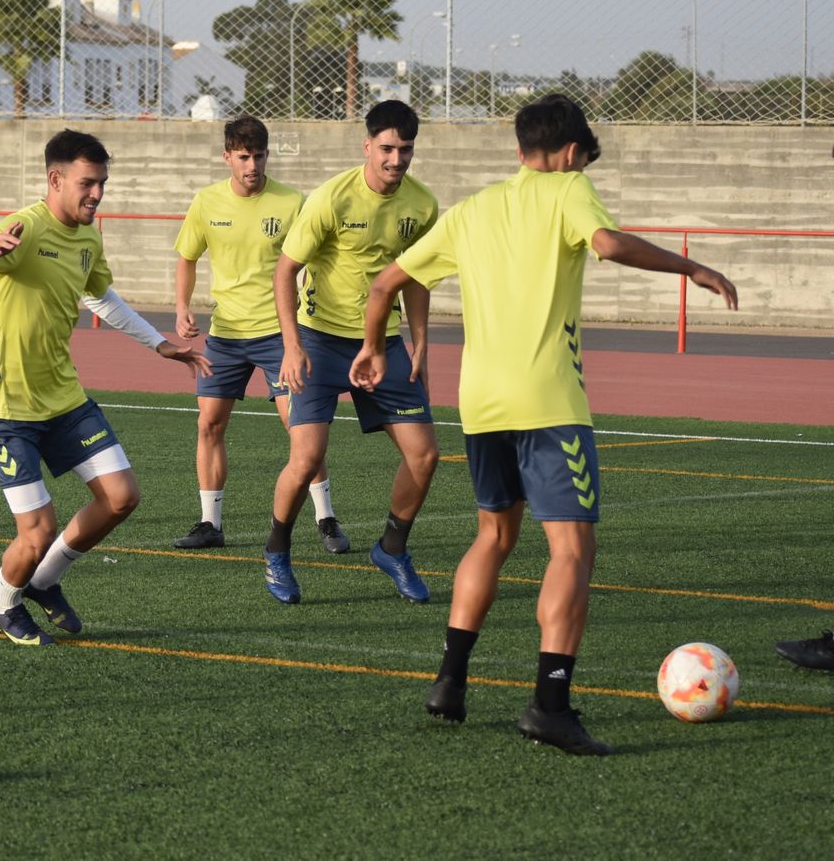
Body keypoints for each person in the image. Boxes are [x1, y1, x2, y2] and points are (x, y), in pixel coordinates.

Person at [350, 94, 737, 756]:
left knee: (493, 537)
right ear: (565, 152)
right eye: (584, 156)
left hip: (481, 405)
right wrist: (691, 266)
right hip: (548, 403)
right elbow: (609, 244)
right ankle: (550, 704)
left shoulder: (472, 209)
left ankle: (449, 681)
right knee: (571, 552)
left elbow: (385, 283)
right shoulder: (567, 190)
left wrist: (370, 346)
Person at [0, 129, 211, 646]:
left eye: (102, 184)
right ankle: (5, 604)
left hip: (63, 399)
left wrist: (160, 344)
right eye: (88, 183)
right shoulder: (25, 226)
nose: (97, 194)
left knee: (121, 497)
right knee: (38, 531)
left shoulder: (89, 236)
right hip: (4, 409)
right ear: (56, 179)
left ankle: (44, 580)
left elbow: (101, 298)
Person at [265, 100, 441, 605]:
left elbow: (416, 278)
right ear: (367, 146)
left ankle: (391, 548)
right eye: (387, 148)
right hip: (318, 342)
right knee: (307, 458)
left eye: (405, 150)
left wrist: (421, 345)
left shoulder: (422, 206)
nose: (396, 159)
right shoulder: (330, 199)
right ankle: (277, 551)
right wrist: (292, 346)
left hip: (382, 346)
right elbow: (284, 272)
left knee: (425, 455)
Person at [171, 116, 346, 552]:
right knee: (209, 424)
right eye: (244, 157)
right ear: (227, 156)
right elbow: (187, 258)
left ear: (269, 155)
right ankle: (210, 523)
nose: (252, 165)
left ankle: (326, 518)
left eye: (260, 156)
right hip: (225, 336)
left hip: (279, 337)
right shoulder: (206, 202)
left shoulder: (291, 201)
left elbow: (318, 258)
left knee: (300, 427)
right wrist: (181, 308)